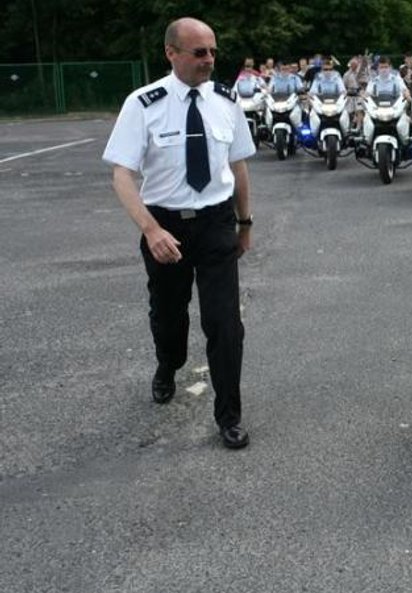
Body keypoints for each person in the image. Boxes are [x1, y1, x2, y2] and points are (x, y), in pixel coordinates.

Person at [101, 17, 255, 449]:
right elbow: (122, 175)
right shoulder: (143, 104)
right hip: (164, 224)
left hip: (216, 224)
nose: (209, 60)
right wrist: (150, 230)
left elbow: (238, 166)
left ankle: (229, 415)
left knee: (225, 324)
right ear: (171, 53)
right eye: (198, 52)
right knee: (169, 317)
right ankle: (168, 364)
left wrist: (245, 224)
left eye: (212, 52)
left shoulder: (226, 101)